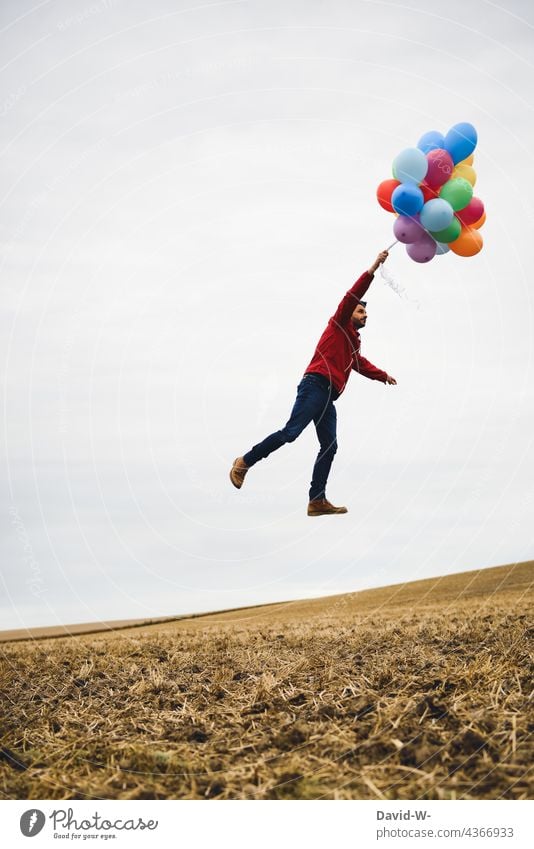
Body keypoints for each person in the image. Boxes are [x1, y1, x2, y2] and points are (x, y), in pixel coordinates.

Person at [230, 250, 397, 515]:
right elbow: (351, 295)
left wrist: (382, 375)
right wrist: (373, 268)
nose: (365, 315)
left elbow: (360, 363)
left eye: (366, 312)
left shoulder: (352, 343)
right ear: (349, 313)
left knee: (329, 445)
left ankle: (316, 499)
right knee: (290, 433)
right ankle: (244, 462)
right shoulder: (338, 324)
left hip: (327, 396)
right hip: (315, 385)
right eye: (361, 310)